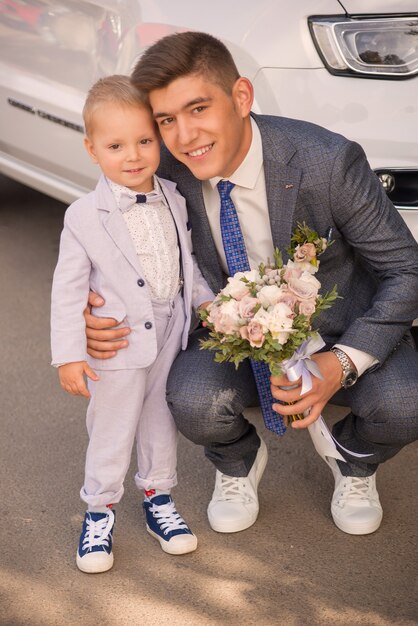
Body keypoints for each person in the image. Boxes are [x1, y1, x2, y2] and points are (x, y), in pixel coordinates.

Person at [84, 32, 418, 538]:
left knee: (406, 405)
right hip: (227, 331)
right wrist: (96, 309)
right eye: (167, 120)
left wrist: (342, 361)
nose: (185, 136)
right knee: (192, 400)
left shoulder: (327, 161)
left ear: (241, 97)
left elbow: (406, 269)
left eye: (198, 108)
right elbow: (105, 229)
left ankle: (353, 460)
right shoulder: (162, 167)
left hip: (337, 324)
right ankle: (239, 460)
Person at [51, 74, 214, 573]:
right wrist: (70, 353)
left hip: (171, 330)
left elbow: (186, 266)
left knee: (159, 419)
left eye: (145, 141)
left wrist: (212, 307)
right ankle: (98, 511)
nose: (134, 155)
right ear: (92, 149)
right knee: (112, 427)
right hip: (116, 341)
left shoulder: (173, 196)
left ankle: (158, 499)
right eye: (116, 145)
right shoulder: (83, 215)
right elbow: (68, 288)